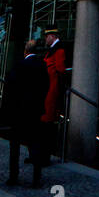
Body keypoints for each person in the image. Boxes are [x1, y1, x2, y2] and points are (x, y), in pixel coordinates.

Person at [1, 39, 49, 188]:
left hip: (18, 112)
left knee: (15, 146)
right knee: (35, 144)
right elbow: (46, 86)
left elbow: (10, 89)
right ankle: (36, 178)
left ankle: (13, 176)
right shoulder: (42, 65)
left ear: (25, 51)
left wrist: (8, 110)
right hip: (34, 112)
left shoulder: (19, 65)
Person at [41, 27, 68, 162]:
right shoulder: (53, 50)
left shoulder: (59, 50)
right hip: (48, 91)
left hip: (52, 92)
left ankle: (46, 156)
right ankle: (42, 154)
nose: (45, 39)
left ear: (52, 36)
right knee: (45, 124)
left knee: (48, 124)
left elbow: (60, 71)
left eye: (47, 36)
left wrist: (59, 92)